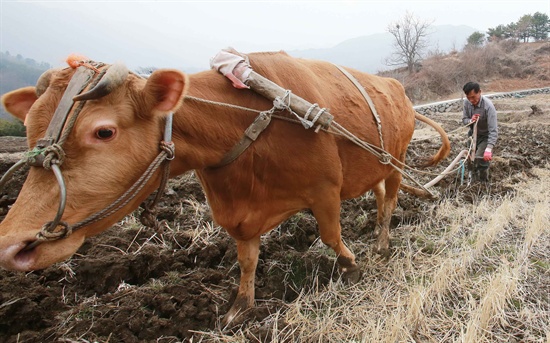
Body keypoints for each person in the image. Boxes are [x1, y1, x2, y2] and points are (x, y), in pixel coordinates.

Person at [462, 82, 498, 182]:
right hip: (473, 135)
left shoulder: (488, 107)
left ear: (480, 92)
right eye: (469, 97)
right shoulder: (466, 103)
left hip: (485, 136)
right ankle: (471, 179)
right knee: (469, 159)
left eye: (473, 97)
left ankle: (483, 183)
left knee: (480, 158)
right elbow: (464, 120)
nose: (471, 100)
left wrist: (489, 148)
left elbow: (493, 130)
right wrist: (470, 120)